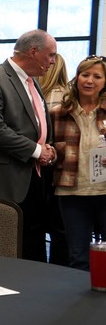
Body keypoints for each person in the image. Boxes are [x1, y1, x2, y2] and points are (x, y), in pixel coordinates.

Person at [0, 29, 58, 262]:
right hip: (0, 181)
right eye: (51, 55)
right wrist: (36, 151)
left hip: (33, 179)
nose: (53, 61)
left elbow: (38, 124)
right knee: (0, 255)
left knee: (31, 249)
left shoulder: (32, 82)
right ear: (33, 52)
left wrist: (49, 148)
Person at [49, 55, 106, 271]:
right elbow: (48, 149)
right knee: (78, 257)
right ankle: (83, 303)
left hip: (104, 191)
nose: (89, 80)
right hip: (72, 193)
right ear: (77, 78)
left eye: (97, 76)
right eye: (85, 74)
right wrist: (51, 154)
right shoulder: (58, 113)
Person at [39, 54, 70, 266]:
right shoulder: (69, 95)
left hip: (48, 166)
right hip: (66, 170)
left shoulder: (45, 97)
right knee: (62, 229)